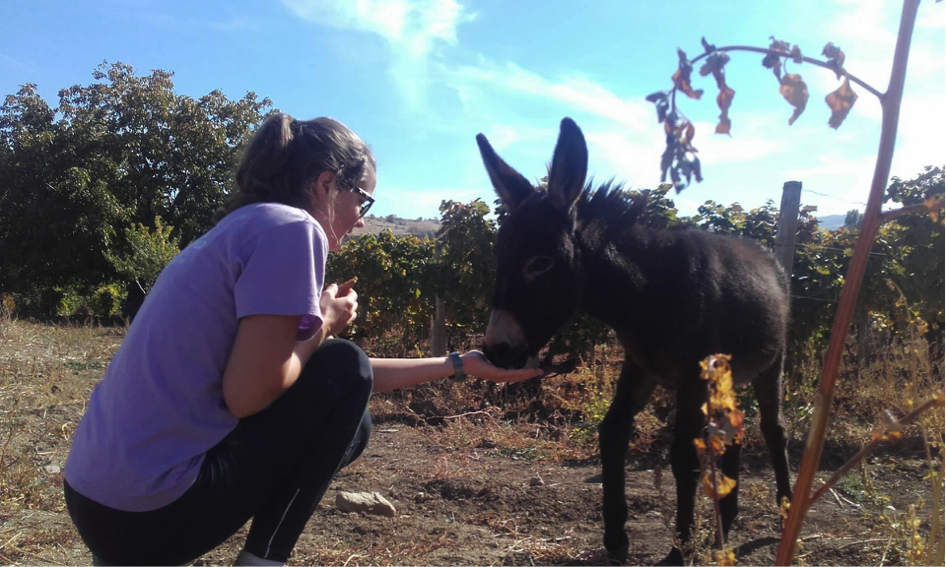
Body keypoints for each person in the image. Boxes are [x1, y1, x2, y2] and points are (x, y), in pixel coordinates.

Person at [62, 113, 542, 567]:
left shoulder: (242, 226)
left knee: (351, 408)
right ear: (326, 184)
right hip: (149, 513)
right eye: (363, 200)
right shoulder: (293, 229)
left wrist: (459, 363)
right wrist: (325, 324)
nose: (361, 219)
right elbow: (252, 394)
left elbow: (327, 385)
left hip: (96, 500)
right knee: (345, 366)